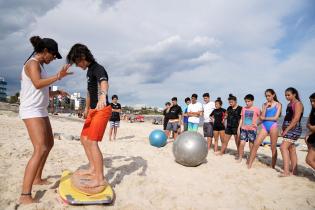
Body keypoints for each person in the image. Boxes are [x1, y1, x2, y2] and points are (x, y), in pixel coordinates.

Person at [19, 36, 71, 204]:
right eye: (54, 55)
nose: (54, 59)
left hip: (40, 110)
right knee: (40, 148)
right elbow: (36, 83)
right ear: (46, 51)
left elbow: (42, 89)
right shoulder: (32, 63)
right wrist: (58, 76)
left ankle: (37, 178)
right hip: (31, 110)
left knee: (49, 144)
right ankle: (25, 195)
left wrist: (56, 93)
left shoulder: (40, 65)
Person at [67, 43, 112, 189]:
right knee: (84, 138)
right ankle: (93, 168)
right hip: (92, 110)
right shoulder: (88, 71)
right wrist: (86, 108)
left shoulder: (98, 68)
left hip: (102, 109)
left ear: (83, 57)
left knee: (92, 142)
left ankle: (99, 178)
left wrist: (102, 96)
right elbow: (88, 92)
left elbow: (104, 82)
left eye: (77, 62)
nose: (77, 65)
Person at [247, 89, 282, 169]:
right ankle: (249, 164)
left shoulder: (278, 104)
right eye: (266, 96)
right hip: (264, 126)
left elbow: (275, 118)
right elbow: (262, 117)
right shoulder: (264, 104)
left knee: (273, 147)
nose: (267, 97)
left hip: (273, 126)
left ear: (273, 95)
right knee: (256, 144)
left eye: (269, 95)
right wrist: (256, 124)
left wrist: (265, 117)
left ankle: (272, 166)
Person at [280, 87, 304, 177]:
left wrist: (286, 129)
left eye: (288, 95)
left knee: (283, 147)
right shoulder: (289, 104)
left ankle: (286, 172)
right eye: (285, 95)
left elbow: (296, 119)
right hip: (288, 127)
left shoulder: (298, 104)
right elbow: (287, 117)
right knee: (291, 149)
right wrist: (283, 127)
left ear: (294, 94)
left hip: (294, 128)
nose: (287, 97)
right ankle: (294, 171)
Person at [237, 94, 260, 163]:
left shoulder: (256, 109)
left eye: (248, 101)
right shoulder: (243, 108)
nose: (247, 103)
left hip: (252, 130)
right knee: (241, 144)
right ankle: (240, 157)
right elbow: (241, 119)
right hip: (244, 129)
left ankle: (251, 157)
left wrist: (257, 124)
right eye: (246, 101)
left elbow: (261, 118)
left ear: (252, 101)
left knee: (251, 145)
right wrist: (239, 128)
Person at [305, 93, 315, 170]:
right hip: (312, 137)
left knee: (309, 160)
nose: (312, 103)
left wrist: (311, 127)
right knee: (307, 138)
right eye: (311, 101)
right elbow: (307, 124)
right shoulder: (312, 111)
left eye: (314, 101)